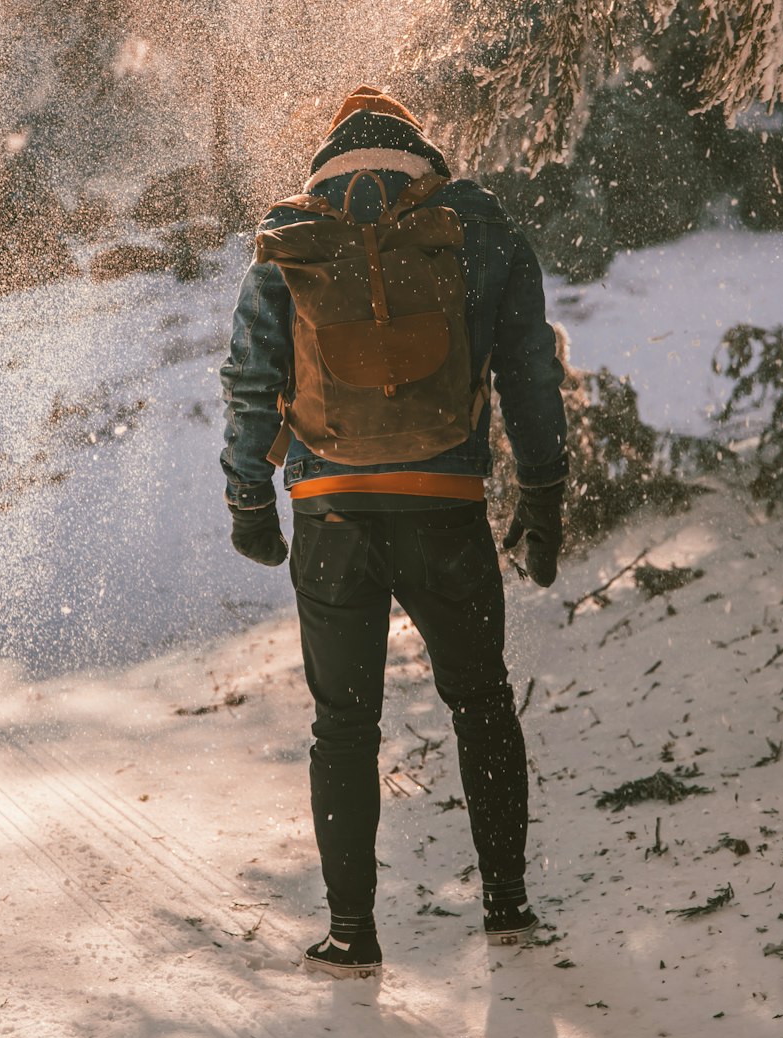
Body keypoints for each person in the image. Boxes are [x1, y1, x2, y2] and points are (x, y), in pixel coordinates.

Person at [220, 86, 568, 979]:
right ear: (419, 145)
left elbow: (252, 378)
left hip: (330, 507)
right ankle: (507, 908)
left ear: (332, 149)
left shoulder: (290, 232)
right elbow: (530, 369)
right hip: (444, 501)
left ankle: (351, 936)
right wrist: (543, 489)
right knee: (482, 701)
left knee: (344, 725)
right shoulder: (474, 222)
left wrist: (249, 502)